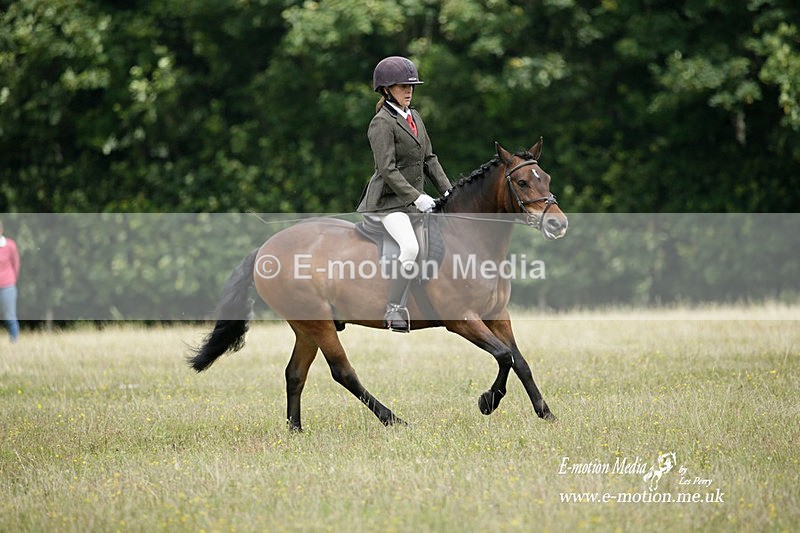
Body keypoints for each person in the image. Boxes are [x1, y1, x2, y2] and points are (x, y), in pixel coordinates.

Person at [357, 56, 452, 332]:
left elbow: (430, 159)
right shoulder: (381, 123)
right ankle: (394, 309)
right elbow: (386, 169)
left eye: (411, 86)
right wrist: (417, 197)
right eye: (402, 86)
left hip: (411, 202)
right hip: (388, 204)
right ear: (386, 90)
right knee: (410, 247)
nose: (409, 91)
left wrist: (448, 191)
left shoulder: (415, 117)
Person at [0, 220, 20, 343]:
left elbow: (16, 264)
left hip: (7, 285)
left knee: (9, 316)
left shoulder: (10, 245)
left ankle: (14, 342)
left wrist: (12, 280)